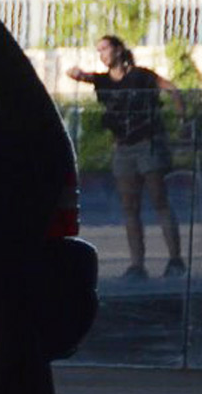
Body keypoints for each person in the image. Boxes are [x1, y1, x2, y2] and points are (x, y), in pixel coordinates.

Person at [70, 36, 188, 279]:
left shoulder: (141, 76)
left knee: (159, 199)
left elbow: (172, 89)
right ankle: (137, 264)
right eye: (99, 50)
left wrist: (181, 119)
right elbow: (80, 75)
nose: (102, 54)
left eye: (105, 48)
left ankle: (175, 259)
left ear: (118, 49)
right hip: (123, 146)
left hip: (147, 142)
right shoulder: (103, 81)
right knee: (129, 206)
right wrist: (78, 73)